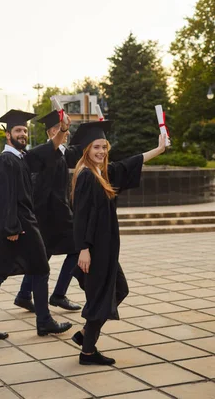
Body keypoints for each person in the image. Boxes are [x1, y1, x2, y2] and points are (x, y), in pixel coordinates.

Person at [69, 121, 167, 365]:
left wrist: (159, 149)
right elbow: (81, 215)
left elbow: (128, 164)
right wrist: (83, 249)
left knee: (117, 290)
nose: (101, 151)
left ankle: (85, 336)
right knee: (101, 297)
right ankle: (88, 352)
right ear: (86, 150)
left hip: (106, 248)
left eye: (104, 147)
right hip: (94, 249)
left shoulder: (102, 172)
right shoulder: (86, 177)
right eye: (96, 148)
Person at [0, 110, 73, 340]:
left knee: (1, 274)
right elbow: (3, 198)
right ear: (7, 134)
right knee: (36, 270)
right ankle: (43, 321)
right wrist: (11, 228)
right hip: (17, 228)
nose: (23, 134)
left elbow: (50, 147)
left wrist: (64, 129)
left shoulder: (22, 158)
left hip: (19, 226)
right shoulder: (5, 161)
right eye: (18, 130)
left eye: (25, 131)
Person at [14, 110, 83, 313]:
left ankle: (24, 295)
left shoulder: (60, 152)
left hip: (52, 215)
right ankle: (59, 294)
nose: (67, 134)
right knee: (77, 249)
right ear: (54, 130)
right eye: (63, 130)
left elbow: (76, 153)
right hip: (52, 215)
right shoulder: (45, 152)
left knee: (43, 254)